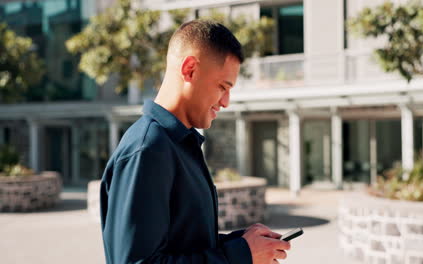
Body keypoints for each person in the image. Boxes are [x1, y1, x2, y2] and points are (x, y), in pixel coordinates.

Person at [100, 19, 291, 264]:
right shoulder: (148, 148)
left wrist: (241, 243)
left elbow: (184, 244)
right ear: (189, 69)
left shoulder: (179, 144)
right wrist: (239, 255)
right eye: (223, 87)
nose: (226, 102)